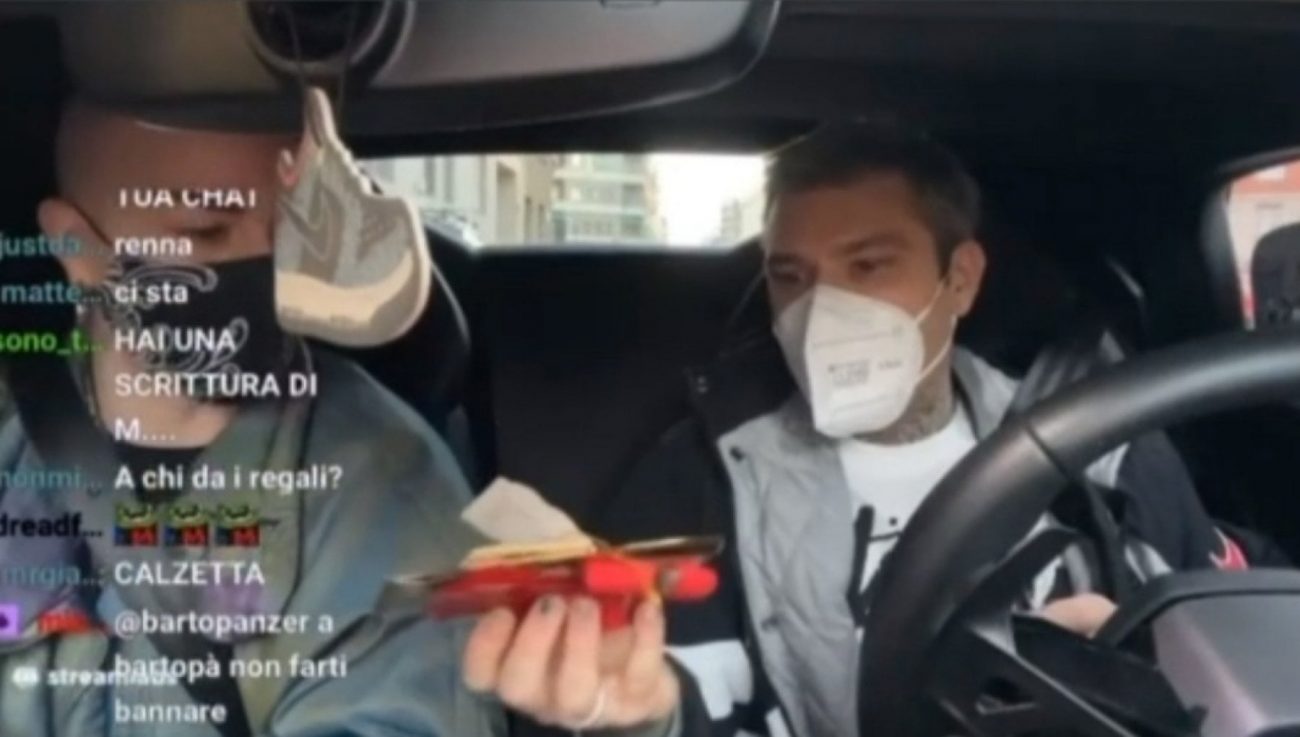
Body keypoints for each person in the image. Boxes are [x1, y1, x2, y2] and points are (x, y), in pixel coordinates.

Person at [0, 99, 693, 736]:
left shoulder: (385, 488)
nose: (267, 267)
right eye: (208, 230)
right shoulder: (20, 437)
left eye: (288, 225)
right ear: (76, 249)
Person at [593, 122, 1257, 737]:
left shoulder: (1100, 444)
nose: (820, 312)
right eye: (790, 276)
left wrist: (1128, 666)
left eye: (869, 265)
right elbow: (656, 693)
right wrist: (645, 719)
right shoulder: (701, 477)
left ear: (960, 280)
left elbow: (1231, 653)